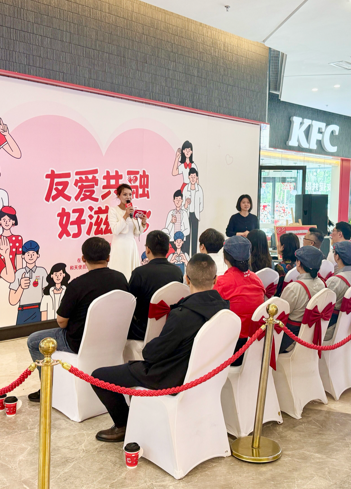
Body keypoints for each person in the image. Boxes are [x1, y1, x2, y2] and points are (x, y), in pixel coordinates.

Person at [91, 253, 229, 442]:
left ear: (187, 279)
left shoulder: (183, 315)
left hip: (169, 376)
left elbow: (151, 354)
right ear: (215, 279)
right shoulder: (224, 310)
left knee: (98, 376)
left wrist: (151, 346)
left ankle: (123, 425)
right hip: (203, 375)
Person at [26, 237, 128, 402]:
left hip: (79, 342)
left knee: (34, 340)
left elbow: (61, 321)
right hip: (114, 339)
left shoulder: (77, 285)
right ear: (108, 257)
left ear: (83, 258)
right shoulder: (121, 279)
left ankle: (47, 388)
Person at [214, 236, 265, 367]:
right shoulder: (257, 280)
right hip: (256, 347)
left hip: (232, 349)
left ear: (225, 258)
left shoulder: (221, 283)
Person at [126, 230, 183, 342]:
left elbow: (128, 300)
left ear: (147, 249)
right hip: (170, 327)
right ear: (167, 249)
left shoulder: (139, 273)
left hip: (143, 330)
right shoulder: (177, 272)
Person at [279, 246, 325, 353]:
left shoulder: (294, 288)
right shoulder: (322, 284)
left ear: (299, 263)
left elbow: (280, 314)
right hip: (313, 337)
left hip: (291, 340)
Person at [107, 183, 147, 280]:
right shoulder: (113, 210)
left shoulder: (133, 211)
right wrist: (125, 215)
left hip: (131, 246)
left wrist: (143, 223)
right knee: (119, 272)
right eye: (125, 194)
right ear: (118, 196)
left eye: (130, 194)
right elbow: (115, 230)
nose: (128, 197)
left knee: (131, 275)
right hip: (119, 246)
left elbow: (137, 233)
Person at [324, 241, 351, 339]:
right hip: (350, 327)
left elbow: (322, 305)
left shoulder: (334, 281)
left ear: (337, 257)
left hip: (330, 329)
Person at [8, 241, 48, 325]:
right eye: (28, 254)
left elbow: (47, 295)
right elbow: (12, 300)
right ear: (23, 256)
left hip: (38, 309)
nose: (31, 256)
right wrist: (21, 287)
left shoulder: (42, 271)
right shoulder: (19, 273)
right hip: (23, 311)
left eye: (33, 254)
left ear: (38, 255)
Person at [183, 168, 204, 255]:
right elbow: (183, 205)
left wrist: (197, 210)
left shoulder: (199, 189)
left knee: (194, 236)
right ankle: (187, 255)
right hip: (187, 215)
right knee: (187, 236)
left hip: (195, 215)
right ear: (188, 177)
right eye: (191, 177)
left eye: (194, 177)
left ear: (197, 178)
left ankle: (194, 255)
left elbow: (201, 204)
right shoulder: (185, 189)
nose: (192, 178)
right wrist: (186, 204)